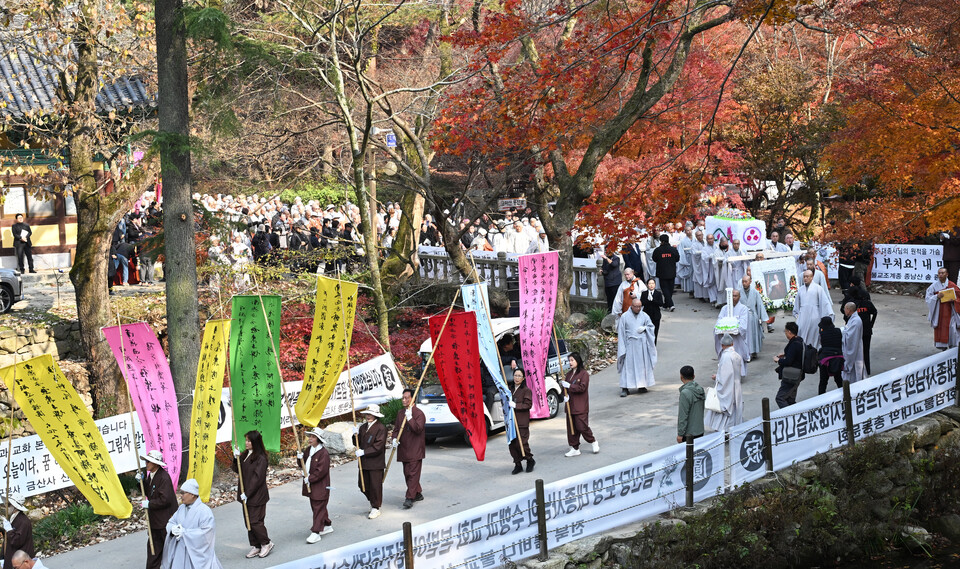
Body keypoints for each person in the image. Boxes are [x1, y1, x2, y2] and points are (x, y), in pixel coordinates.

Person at [161, 478, 223, 569]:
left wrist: (185, 533)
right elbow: (171, 522)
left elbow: (207, 533)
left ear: (192, 494)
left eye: (183, 493)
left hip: (196, 555)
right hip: (180, 552)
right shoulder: (181, 508)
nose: (181, 496)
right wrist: (172, 528)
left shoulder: (204, 511)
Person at [231, 430, 273, 559]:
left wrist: (247, 493)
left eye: (249, 441)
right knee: (248, 521)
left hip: (256, 495)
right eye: (246, 440)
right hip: (246, 495)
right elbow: (236, 469)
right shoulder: (245, 455)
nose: (246, 443)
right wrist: (235, 458)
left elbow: (257, 478)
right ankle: (256, 545)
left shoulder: (261, 458)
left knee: (255, 521)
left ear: (255, 442)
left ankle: (266, 542)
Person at [138, 450, 177, 569]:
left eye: (149, 461)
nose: (146, 463)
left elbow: (165, 499)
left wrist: (150, 504)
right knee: (153, 551)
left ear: (155, 463)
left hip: (164, 521)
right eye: (146, 461)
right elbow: (148, 491)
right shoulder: (151, 476)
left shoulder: (164, 477)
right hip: (155, 521)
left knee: (170, 551)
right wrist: (141, 481)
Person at [616, 298, 658, 397]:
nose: (638, 308)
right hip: (630, 344)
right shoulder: (625, 317)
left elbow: (651, 327)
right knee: (628, 366)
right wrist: (622, 347)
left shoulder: (644, 315)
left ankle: (641, 385)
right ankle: (625, 387)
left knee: (642, 366)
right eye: (636, 306)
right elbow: (621, 333)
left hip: (641, 345)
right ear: (632, 306)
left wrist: (645, 328)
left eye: (640, 306)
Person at [391, 389, 426, 509]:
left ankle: (409, 497)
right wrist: (394, 439)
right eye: (403, 398)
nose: (404, 400)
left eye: (407, 398)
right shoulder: (401, 413)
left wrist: (410, 418)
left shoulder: (419, 414)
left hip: (415, 449)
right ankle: (417, 493)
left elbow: (418, 429)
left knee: (412, 473)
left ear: (413, 398)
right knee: (407, 473)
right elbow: (396, 429)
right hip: (404, 449)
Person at [561, 352, 598, 457]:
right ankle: (574, 447)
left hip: (580, 405)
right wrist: (564, 395)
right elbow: (564, 389)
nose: (570, 362)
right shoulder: (568, 375)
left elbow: (582, 387)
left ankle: (593, 441)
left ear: (578, 360)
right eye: (569, 360)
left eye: (572, 360)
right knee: (571, 428)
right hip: (570, 406)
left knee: (582, 426)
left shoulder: (583, 374)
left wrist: (570, 386)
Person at [354, 404, 387, 519]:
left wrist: (364, 452)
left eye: (371, 414)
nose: (368, 416)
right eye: (367, 414)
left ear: (375, 415)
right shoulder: (363, 427)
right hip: (364, 462)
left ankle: (375, 507)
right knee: (362, 484)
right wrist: (355, 435)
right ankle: (373, 501)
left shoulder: (381, 428)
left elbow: (378, 446)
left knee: (375, 485)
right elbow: (357, 442)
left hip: (375, 462)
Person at [705, 335, 743, 431]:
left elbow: (725, 376)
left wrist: (717, 377)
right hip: (736, 387)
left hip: (727, 388)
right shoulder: (737, 355)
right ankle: (731, 430)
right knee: (734, 409)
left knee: (725, 410)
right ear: (732, 343)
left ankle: (724, 431)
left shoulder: (726, 356)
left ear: (722, 345)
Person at [302, 428, 333, 544]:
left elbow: (321, 472)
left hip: (320, 484)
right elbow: (302, 464)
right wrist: (299, 457)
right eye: (309, 436)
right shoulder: (308, 450)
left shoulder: (323, 453)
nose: (310, 439)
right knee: (317, 506)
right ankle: (327, 524)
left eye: (313, 437)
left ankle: (316, 532)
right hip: (310, 484)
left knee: (318, 506)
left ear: (318, 439)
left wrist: (309, 478)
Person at [793, 269, 834, 350]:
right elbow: (797, 304)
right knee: (801, 335)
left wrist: (826, 315)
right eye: (804, 277)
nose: (805, 278)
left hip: (815, 316)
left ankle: (814, 355)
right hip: (803, 316)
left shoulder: (818, 288)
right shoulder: (800, 290)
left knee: (814, 336)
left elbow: (824, 303)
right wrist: (797, 314)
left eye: (807, 276)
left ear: (812, 277)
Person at [713, 289, 751, 375]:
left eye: (735, 296)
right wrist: (721, 328)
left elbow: (743, 324)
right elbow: (719, 320)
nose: (733, 298)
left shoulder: (743, 308)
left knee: (738, 355)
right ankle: (725, 374)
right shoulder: (724, 308)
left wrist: (734, 329)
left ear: (739, 297)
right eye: (731, 296)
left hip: (737, 339)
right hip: (725, 337)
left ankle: (739, 374)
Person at [924, 267, 960, 349]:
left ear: (947, 274)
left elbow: (959, 297)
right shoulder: (933, 286)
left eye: (942, 273)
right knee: (940, 328)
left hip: (951, 311)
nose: (940, 275)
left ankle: (953, 347)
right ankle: (943, 347)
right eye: (939, 273)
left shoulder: (952, 285)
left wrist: (954, 300)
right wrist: (937, 296)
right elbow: (928, 298)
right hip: (939, 311)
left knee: (952, 329)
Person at [508, 368, 535, 474]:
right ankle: (517, 464)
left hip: (521, 421)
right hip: (511, 422)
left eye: (519, 376)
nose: (517, 378)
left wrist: (516, 405)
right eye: (515, 375)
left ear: (523, 378)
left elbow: (528, 405)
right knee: (512, 445)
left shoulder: (526, 390)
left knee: (521, 444)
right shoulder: (509, 389)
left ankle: (530, 460)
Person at [774, 322, 805, 408]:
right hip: (797, 374)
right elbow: (795, 355)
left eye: (785, 331)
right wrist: (785, 354)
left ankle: (788, 417)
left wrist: (778, 360)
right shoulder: (799, 340)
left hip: (791, 375)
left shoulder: (794, 344)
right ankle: (794, 415)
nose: (785, 333)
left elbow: (788, 361)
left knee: (780, 398)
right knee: (790, 400)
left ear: (790, 332)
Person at [2, 493, 33, 569]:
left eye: (9, 505)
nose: (6, 507)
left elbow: (17, 541)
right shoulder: (14, 519)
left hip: (21, 563)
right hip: (13, 560)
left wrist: (9, 530)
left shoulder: (23, 521)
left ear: (15, 506)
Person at [739, 274, 768, 356]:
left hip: (752, 317)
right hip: (743, 317)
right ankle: (746, 353)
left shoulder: (755, 292)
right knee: (745, 336)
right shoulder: (739, 292)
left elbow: (759, 305)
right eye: (743, 282)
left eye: (746, 281)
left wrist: (761, 318)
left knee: (753, 335)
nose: (744, 283)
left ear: (750, 282)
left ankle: (753, 351)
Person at [849, 288, 877, 374]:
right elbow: (875, 312)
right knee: (865, 351)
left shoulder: (852, 305)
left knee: (854, 351)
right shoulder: (867, 303)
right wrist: (871, 323)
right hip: (866, 331)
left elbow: (845, 313)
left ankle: (857, 371)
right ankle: (867, 370)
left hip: (856, 332)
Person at [677, 366, 705, 443]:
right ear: (694, 376)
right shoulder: (700, 389)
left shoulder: (685, 393)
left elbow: (683, 415)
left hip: (688, 433)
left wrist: (680, 434)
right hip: (699, 429)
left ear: (681, 377)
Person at [817, 316, 844, 395]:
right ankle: (845, 395)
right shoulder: (839, 331)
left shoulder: (822, 334)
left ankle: (820, 400)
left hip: (826, 360)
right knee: (838, 379)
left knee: (823, 381)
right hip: (838, 359)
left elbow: (820, 343)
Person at [652, 234, 679, 310]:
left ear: (661, 241)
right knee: (670, 289)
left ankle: (670, 305)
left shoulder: (657, 250)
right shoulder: (673, 250)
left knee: (665, 289)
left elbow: (654, 259)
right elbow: (677, 259)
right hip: (671, 272)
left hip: (662, 272)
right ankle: (667, 304)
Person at [841, 302, 866, 383]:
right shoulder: (853, 319)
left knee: (855, 370)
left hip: (855, 348)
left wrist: (842, 332)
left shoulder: (856, 321)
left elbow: (851, 337)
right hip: (855, 346)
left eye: (845, 308)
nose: (844, 310)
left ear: (849, 310)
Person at [639, 278, 664, 344]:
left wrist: (653, 300)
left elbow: (661, 304)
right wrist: (648, 300)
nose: (651, 285)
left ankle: (653, 346)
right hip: (646, 315)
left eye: (653, 283)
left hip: (656, 315)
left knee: (655, 331)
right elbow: (642, 303)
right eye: (649, 283)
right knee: (647, 331)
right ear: (647, 285)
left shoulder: (658, 293)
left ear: (655, 285)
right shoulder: (644, 293)